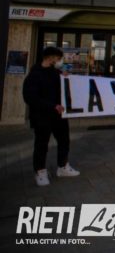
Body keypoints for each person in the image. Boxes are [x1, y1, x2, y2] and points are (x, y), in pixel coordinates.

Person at [23, 47, 80, 186]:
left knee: (64, 141)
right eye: (58, 58)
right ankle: (40, 171)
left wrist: (66, 78)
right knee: (42, 144)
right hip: (42, 117)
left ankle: (63, 166)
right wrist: (52, 106)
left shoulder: (56, 73)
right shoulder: (35, 75)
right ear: (50, 58)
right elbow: (30, 97)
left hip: (59, 116)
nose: (60, 61)